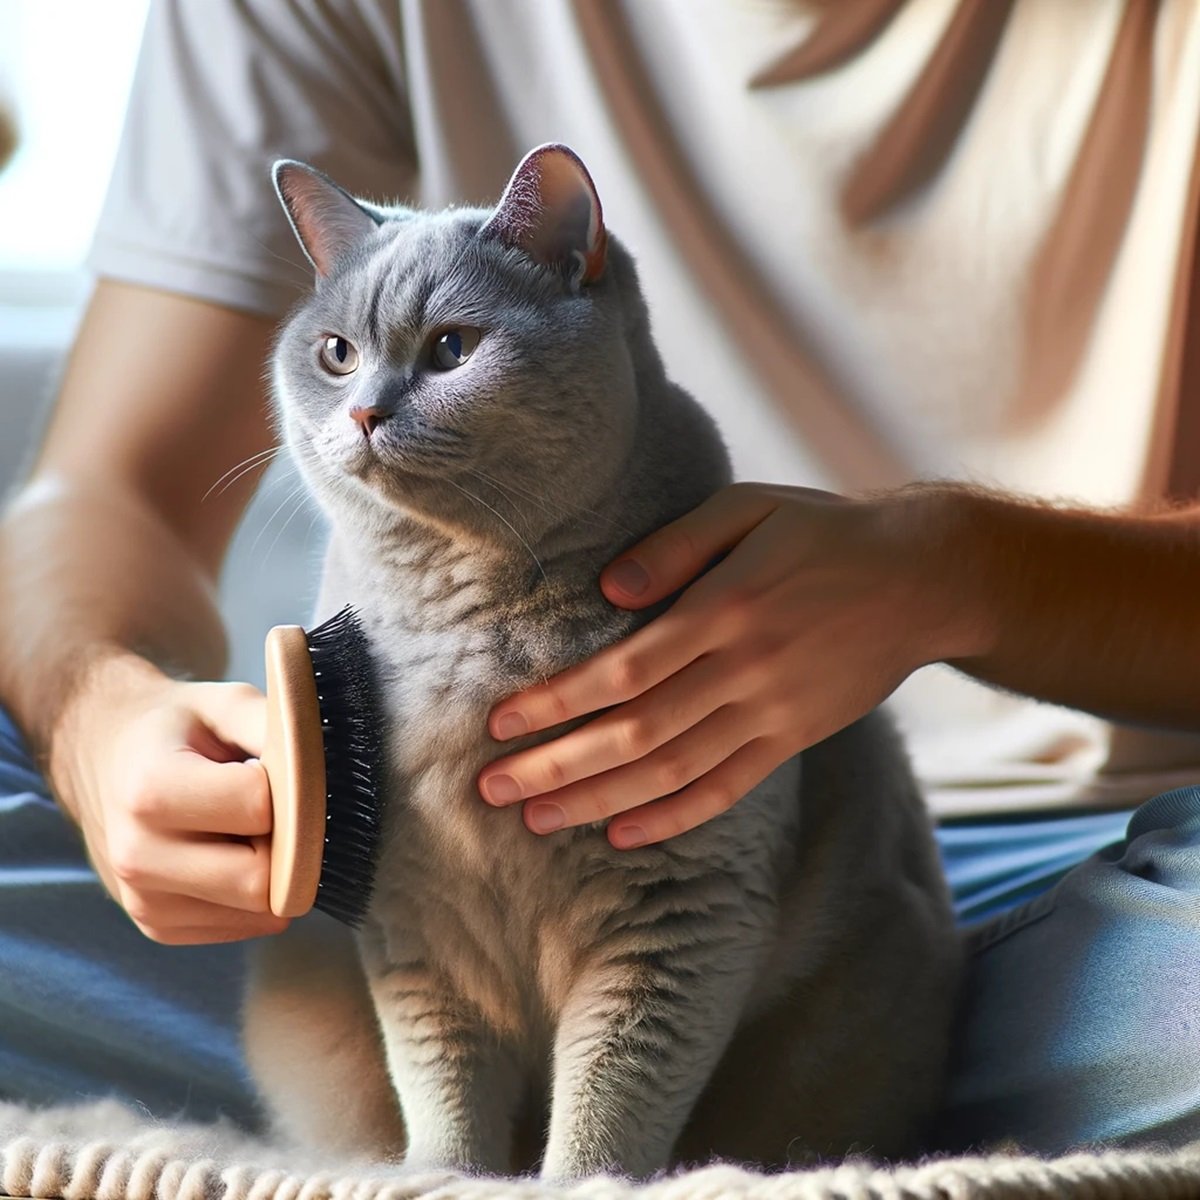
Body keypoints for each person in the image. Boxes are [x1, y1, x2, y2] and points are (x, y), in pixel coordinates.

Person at [2, 0, 1200, 1155]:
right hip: (430, 964)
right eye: (341, 361)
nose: (364, 406)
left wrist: (963, 573)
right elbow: (107, 493)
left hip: (1065, 871)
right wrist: (104, 727)